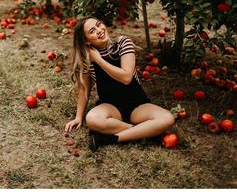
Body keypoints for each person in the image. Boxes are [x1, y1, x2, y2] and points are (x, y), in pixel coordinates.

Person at [64, 16, 175, 151]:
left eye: (99, 24)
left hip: (137, 105)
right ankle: (147, 133)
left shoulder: (122, 43)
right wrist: (78, 117)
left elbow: (126, 77)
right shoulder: (87, 58)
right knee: (92, 119)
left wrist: (99, 60)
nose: (99, 30)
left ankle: (110, 139)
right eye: (92, 31)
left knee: (167, 118)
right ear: (86, 41)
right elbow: (84, 89)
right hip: (111, 107)